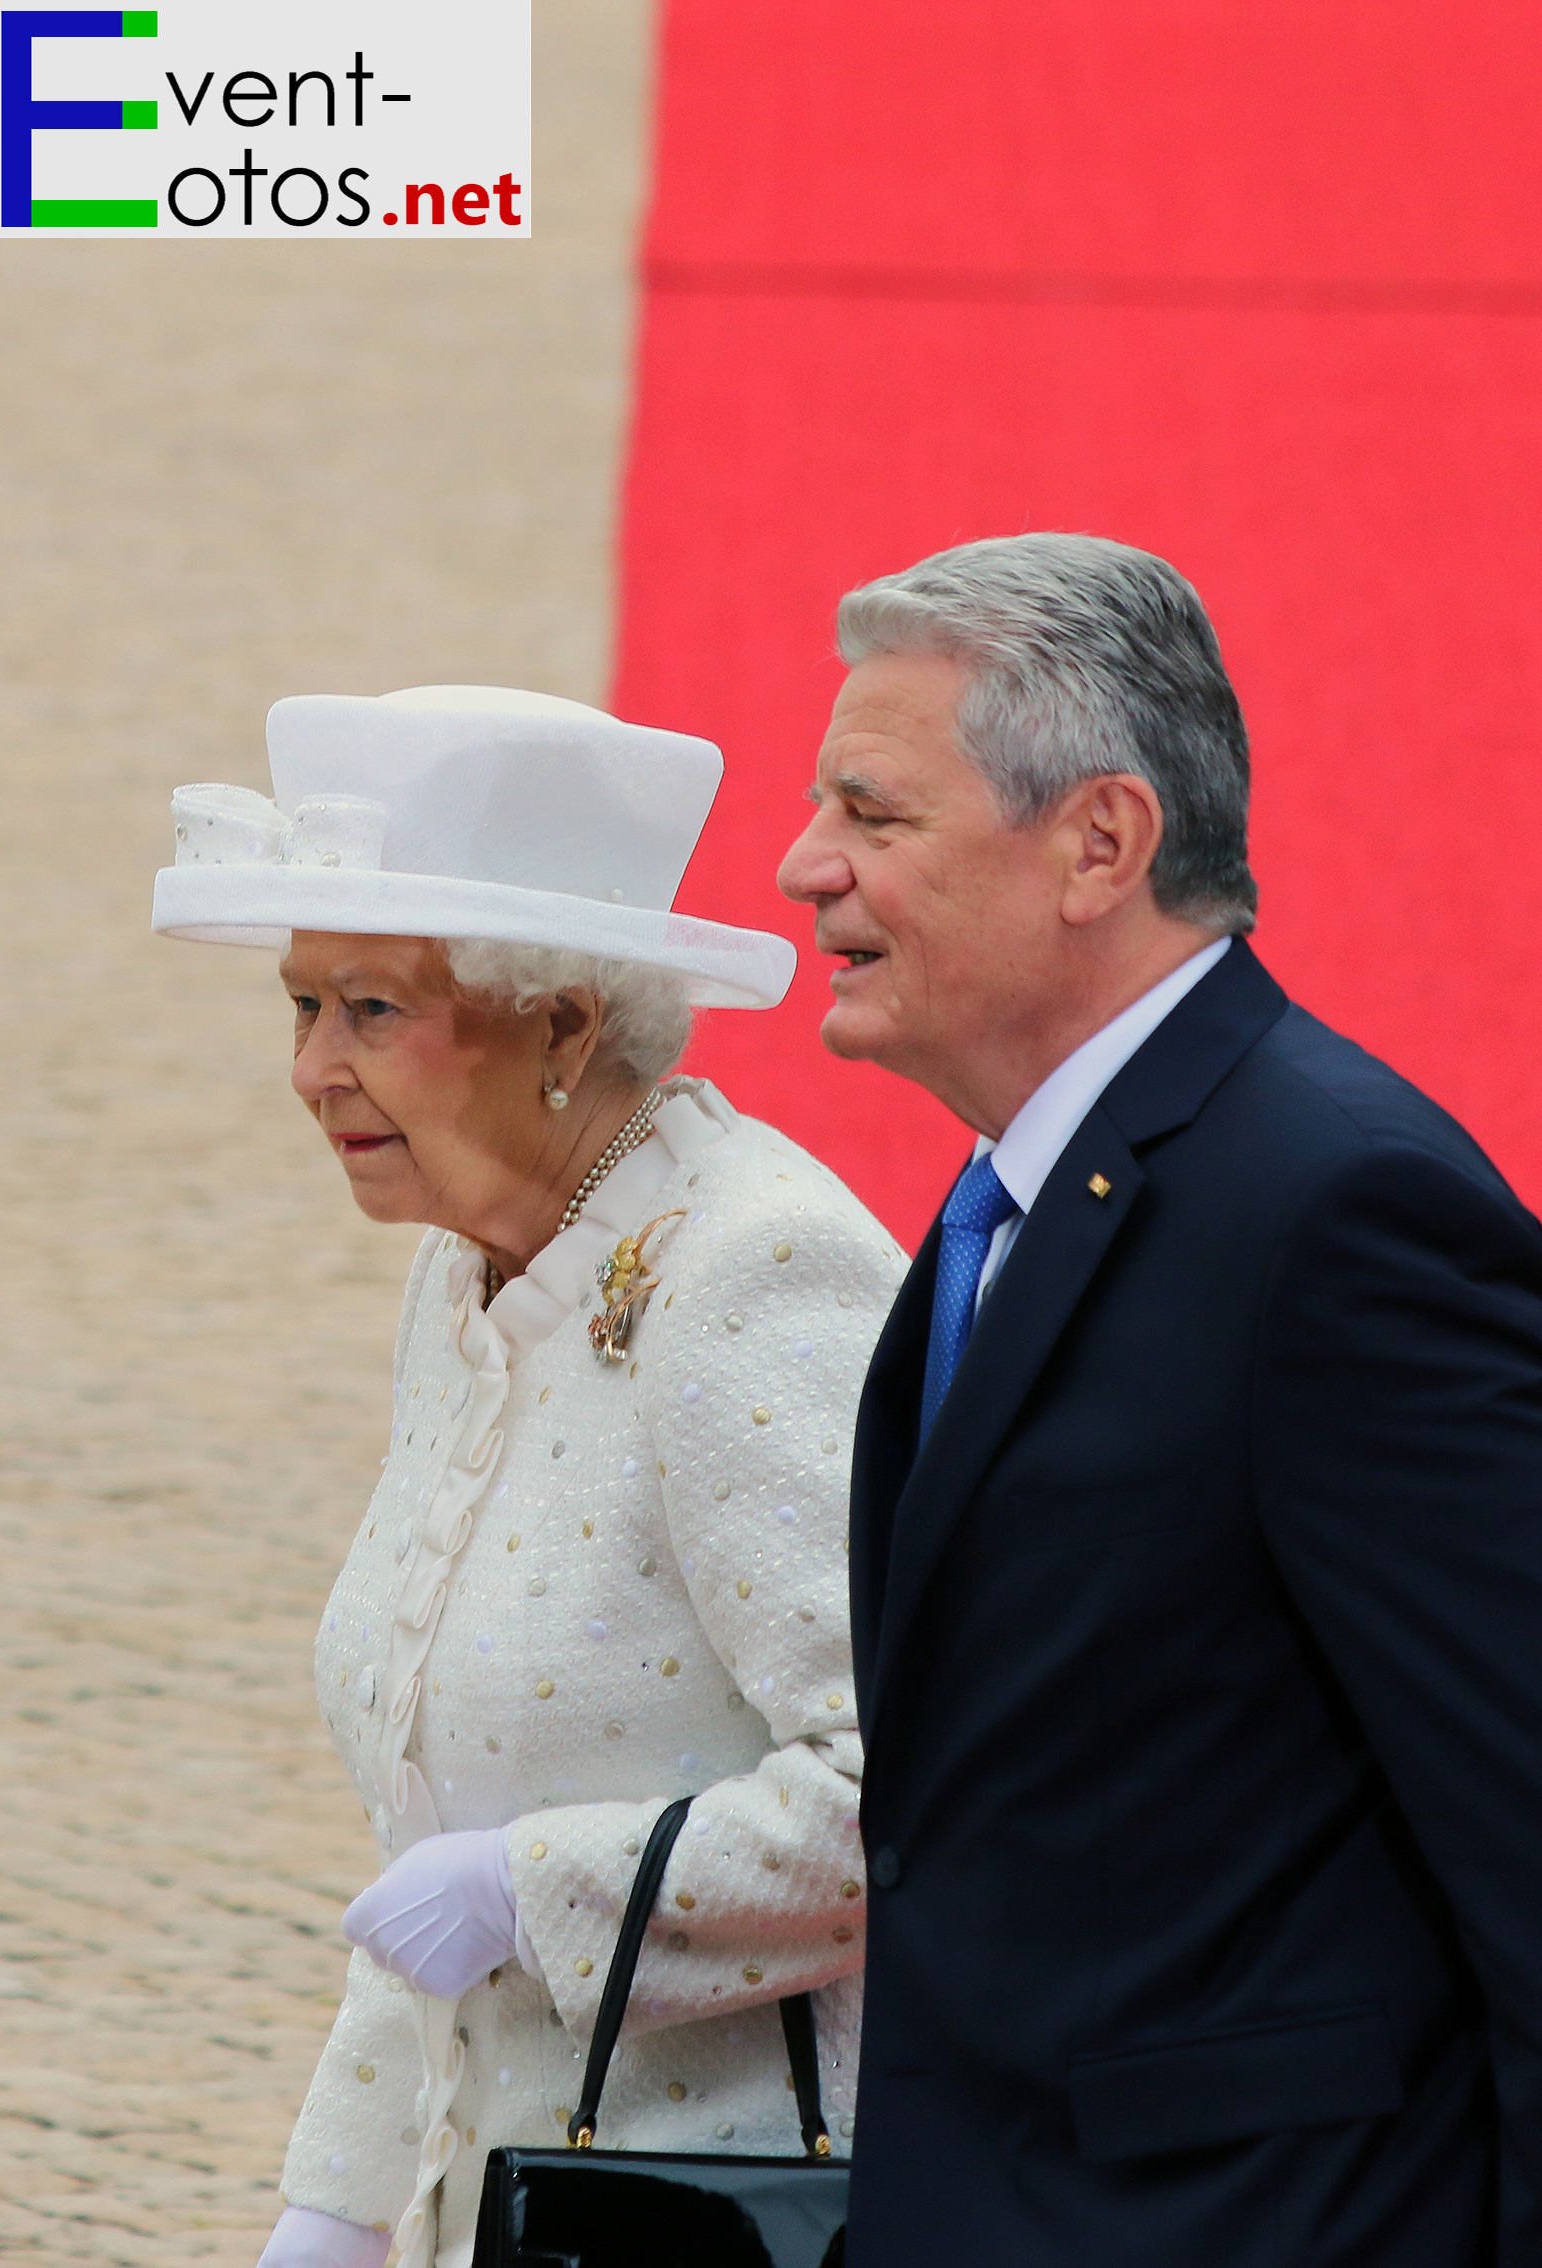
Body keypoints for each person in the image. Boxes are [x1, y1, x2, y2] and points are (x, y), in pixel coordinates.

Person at [777, 533, 1542, 2268]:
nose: (800, 864)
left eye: (873, 816)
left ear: (1098, 845)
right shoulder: (1018, 1203)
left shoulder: (1340, 1215)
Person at [152, 684, 906, 2268]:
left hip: (722, 2214)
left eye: (368, 1011)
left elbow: (907, 1791)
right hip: (493, 2203)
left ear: (563, 1026)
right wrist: (339, 2203)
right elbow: (433, 1846)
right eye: (302, 1007)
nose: (310, 1071)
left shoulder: (755, 1274)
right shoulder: (478, 1270)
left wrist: (531, 1885)